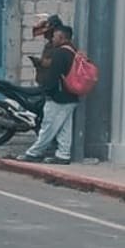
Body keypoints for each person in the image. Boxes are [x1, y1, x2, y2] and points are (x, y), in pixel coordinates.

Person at [18, 23, 79, 164]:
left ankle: (34, 153)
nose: (52, 39)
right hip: (71, 96)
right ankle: (63, 155)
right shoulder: (72, 51)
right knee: (64, 128)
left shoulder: (59, 53)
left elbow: (53, 76)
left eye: (54, 36)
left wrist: (47, 91)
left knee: (48, 127)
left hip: (58, 97)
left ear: (62, 37)